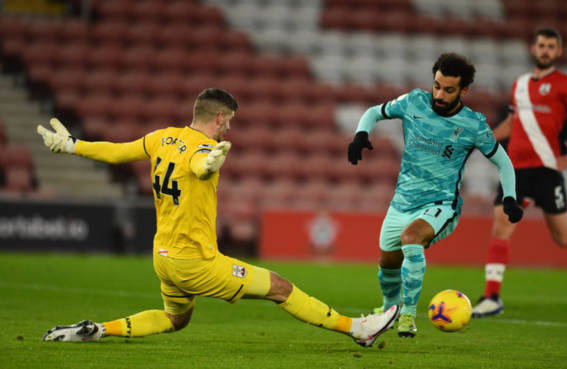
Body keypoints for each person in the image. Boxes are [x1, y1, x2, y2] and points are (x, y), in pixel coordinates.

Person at [38, 88, 399, 347]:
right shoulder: (206, 149)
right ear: (219, 117)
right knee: (280, 287)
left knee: (175, 319)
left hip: (162, 257)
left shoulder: (163, 138)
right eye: (230, 122)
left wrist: (73, 145)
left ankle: (97, 330)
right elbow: (199, 164)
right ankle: (358, 328)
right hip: (195, 262)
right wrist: (207, 166)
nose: (230, 129)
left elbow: (117, 152)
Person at [347, 53, 522, 337]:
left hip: (441, 204)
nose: (439, 94)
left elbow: (503, 162)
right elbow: (374, 112)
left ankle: (407, 316)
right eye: (437, 85)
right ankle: (389, 309)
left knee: (411, 238)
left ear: (464, 90)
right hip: (402, 200)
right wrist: (361, 134)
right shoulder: (414, 101)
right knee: (387, 264)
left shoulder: (473, 125)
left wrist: (510, 197)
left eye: (448, 89)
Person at [472, 28, 567, 318]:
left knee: (564, 238)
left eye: (551, 46)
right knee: (501, 225)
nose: (545, 50)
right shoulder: (520, 84)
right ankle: (491, 296)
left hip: (547, 170)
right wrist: (483, 140)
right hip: (514, 170)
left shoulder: (566, 84)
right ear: (533, 48)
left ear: (558, 52)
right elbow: (510, 123)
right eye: (541, 45)